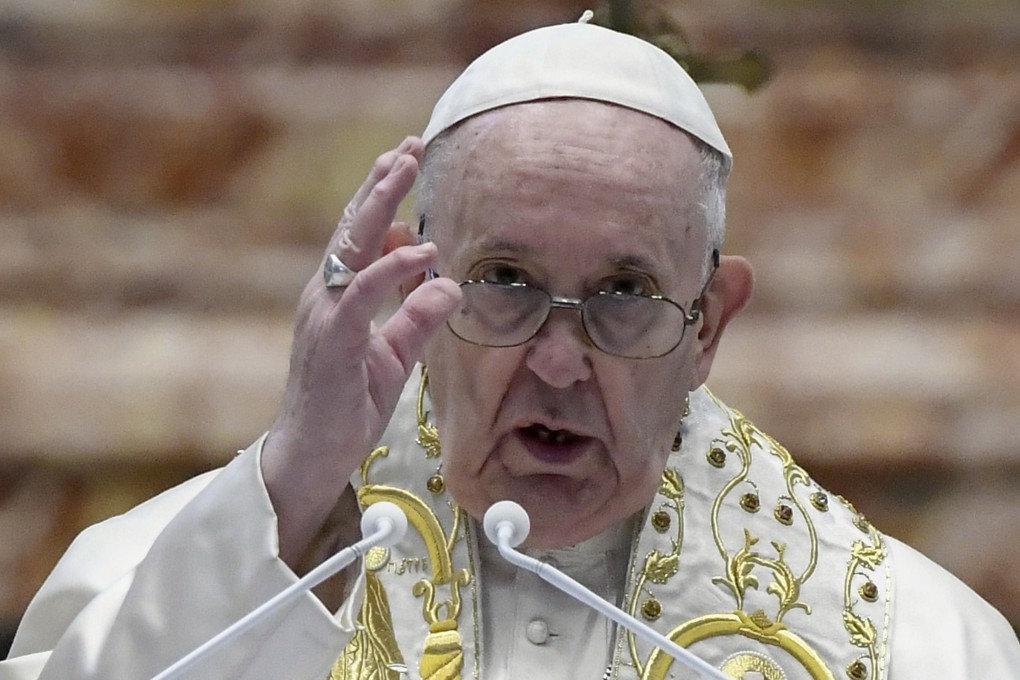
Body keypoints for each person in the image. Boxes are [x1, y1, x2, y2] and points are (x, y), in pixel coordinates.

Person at [3, 16, 1018, 680]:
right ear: (413, 284)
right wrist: (293, 485)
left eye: (625, 292)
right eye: (505, 282)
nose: (560, 362)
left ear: (707, 322)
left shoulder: (923, 647)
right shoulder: (148, 580)